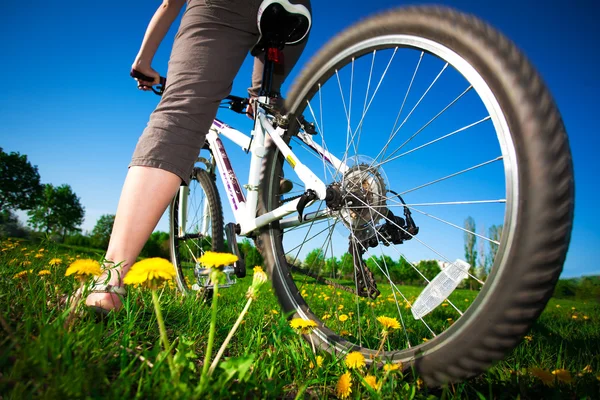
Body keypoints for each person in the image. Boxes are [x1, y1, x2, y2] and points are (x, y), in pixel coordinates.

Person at [85, 0, 311, 315]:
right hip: (297, 11)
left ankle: (108, 284)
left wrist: (143, 62)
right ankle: (270, 180)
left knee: (182, 113)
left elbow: (169, 4)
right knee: (263, 105)